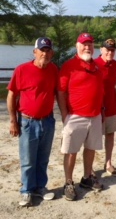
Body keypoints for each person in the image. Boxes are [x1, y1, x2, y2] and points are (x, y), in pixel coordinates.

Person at [7, 37, 58, 206]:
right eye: (42, 50)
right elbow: (12, 95)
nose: (45, 53)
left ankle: (40, 188)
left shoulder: (54, 70)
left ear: (52, 52)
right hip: (27, 122)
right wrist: (13, 120)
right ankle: (27, 191)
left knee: (43, 158)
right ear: (35, 51)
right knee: (28, 160)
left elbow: (60, 94)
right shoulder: (22, 70)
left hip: (48, 121)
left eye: (48, 50)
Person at [58, 33, 104, 201]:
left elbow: (100, 91)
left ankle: (86, 178)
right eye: (84, 44)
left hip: (95, 115)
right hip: (75, 116)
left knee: (91, 148)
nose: (87, 47)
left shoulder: (97, 67)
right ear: (77, 46)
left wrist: (102, 112)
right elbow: (61, 91)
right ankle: (68, 182)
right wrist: (64, 115)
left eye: (90, 44)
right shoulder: (69, 66)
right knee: (71, 151)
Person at [95, 38, 116, 176]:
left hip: (111, 105)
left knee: (110, 134)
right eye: (107, 49)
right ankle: (90, 167)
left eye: (112, 50)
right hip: (97, 107)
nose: (110, 52)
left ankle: (108, 162)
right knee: (93, 137)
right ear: (101, 50)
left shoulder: (115, 64)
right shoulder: (94, 64)